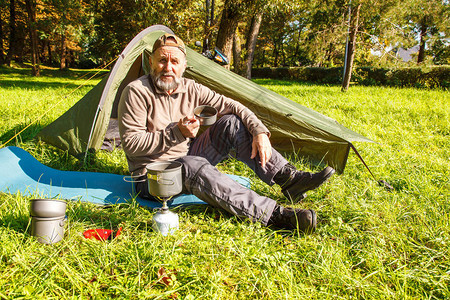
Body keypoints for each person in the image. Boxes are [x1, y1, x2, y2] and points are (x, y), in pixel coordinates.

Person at [118, 33, 335, 233]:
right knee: (190, 166)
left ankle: (290, 179)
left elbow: (233, 106)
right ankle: (276, 216)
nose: (168, 67)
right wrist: (177, 132)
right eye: (162, 60)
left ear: (184, 66)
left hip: (187, 155)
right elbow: (132, 145)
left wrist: (259, 131)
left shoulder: (191, 88)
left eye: (174, 62)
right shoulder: (137, 91)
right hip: (152, 176)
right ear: (151, 63)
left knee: (231, 123)